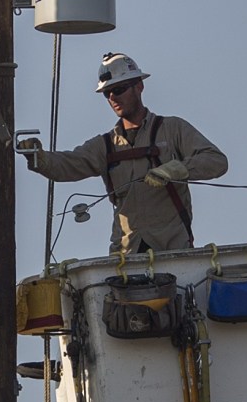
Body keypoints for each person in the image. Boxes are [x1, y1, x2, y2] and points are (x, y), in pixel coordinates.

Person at [20, 52, 226, 253]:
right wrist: (38, 156)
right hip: (126, 256)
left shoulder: (172, 129)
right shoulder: (105, 145)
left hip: (171, 254)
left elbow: (216, 161)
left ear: (139, 86)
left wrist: (177, 169)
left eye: (118, 89)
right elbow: (68, 165)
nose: (112, 97)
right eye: (107, 93)